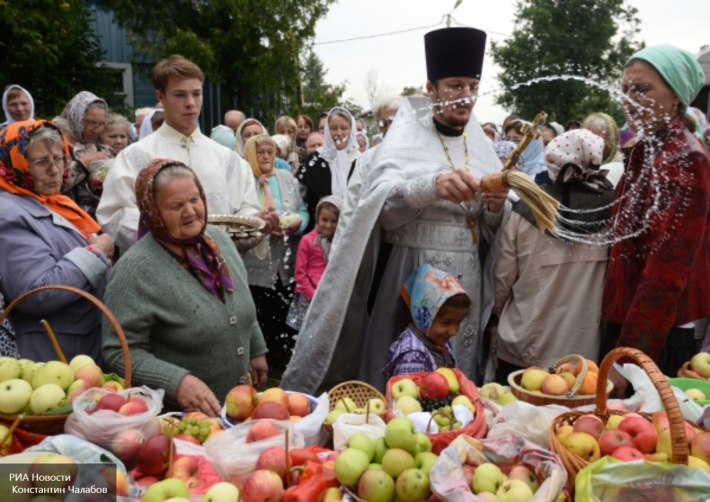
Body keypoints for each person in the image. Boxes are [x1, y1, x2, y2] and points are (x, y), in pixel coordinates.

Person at [281, 27, 509, 394]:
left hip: (465, 277)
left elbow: (486, 229)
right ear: (431, 89)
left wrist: (496, 209)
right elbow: (378, 208)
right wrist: (430, 186)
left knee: (454, 381)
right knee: (404, 382)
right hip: (410, 270)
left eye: (472, 85)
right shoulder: (403, 141)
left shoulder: (481, 147)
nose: (465, 96)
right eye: (454, 86)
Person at [102, 159, 268, 414]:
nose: (190, 211)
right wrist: (177, 383)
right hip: (179, 422)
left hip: (237, 409)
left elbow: (237, 297)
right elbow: (118, 352)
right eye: (176, 206)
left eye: (194, 199)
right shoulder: (134, 271)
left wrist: (255, 347)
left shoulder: (219, 240)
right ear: (153, 212)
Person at [602, 44, 710, 394]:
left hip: (659, 336)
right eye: (625, 89)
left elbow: (667, 271)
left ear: (676, 96)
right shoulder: (646, 149)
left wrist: (628, 359)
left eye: (643, 89)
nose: (630, 98)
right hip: (629, 326)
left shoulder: (683, 158)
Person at [97, 56, 278, 251]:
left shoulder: (228, 158)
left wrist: (255, 218)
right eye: (180, 95)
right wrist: (170, 236)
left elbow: (242, 208)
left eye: (196, 94)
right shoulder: (135, 157)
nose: (191, 103)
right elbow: (114, 215)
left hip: (221, 267)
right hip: (160, 268)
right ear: (161, 96)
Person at [492, 129, 614, 381]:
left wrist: (493, 315)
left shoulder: (523, 211)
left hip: (526, 346)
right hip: (584, 354)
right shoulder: (613, 210)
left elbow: (501, 281)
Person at [0, 121, 113, 362]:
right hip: (52, 353)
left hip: (78, 345)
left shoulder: (51, 201)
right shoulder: (9, 213)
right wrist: (96, 253)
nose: (54, 169)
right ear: (15, 164)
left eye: (59, 158)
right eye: (41, 162)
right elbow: (36, 292)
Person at [241, 135, 308, 368]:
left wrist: (298, 223)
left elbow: (302, 210)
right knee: (260, 305)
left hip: (286, 254)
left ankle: (282, 355)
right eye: (260, 152)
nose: (267, 156)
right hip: (256, 260)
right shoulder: (244, 180)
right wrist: (265, 228)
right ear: (250, 154)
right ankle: (261, 355)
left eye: (270, 152)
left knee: (285, 301)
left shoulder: (286, 177)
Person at [383, 265, 470, 380]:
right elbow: (410, 398)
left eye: (458, 323)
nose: (453, 332)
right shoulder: (413, 357)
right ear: (425, 317)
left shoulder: (436, 340)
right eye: (446, 323)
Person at [297, 107, 360, 232]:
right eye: (333, 128)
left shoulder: (362, 161)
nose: (339, 133)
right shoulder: (312, 160)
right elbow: (296, 197)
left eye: (344, 128)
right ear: (327, 130)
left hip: (353, 233)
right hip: (317, 236)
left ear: (351, 130)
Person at [287, 196, 341, 332]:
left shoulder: (339, 243)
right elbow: (300, 275)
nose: (328, 225)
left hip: (331, 297)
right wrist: (313, 296)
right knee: (308, 334)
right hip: (309, 297)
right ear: (317, 217)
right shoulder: (307, 241)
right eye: (324, 220)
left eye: (334, 221)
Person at [58, 91, 113, 217]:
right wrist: (85, 162)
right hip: (69, 222)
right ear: (75, 118)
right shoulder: (56, 148)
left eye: (101, 124)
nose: (96, 129)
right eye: (90, 123)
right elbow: (53, 186)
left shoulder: (104, 150)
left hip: (100, 223)